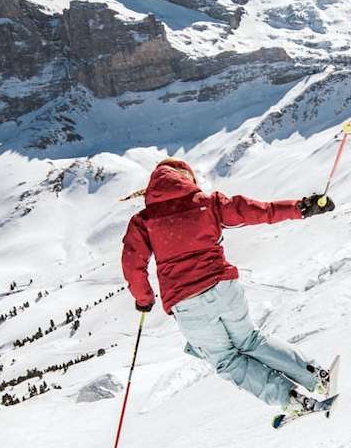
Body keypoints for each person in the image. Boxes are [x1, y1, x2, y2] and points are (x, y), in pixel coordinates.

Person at [121, 158, 337, 416]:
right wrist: (300, 208)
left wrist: (144, 298)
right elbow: (258, 211)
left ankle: (291, 400)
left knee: (226, 360)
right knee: (251, 340)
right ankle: (317, 376)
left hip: (188, 303)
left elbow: (132, 264)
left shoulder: (144, 220)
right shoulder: (207, 203)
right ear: (186, 179)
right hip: (224, 288)